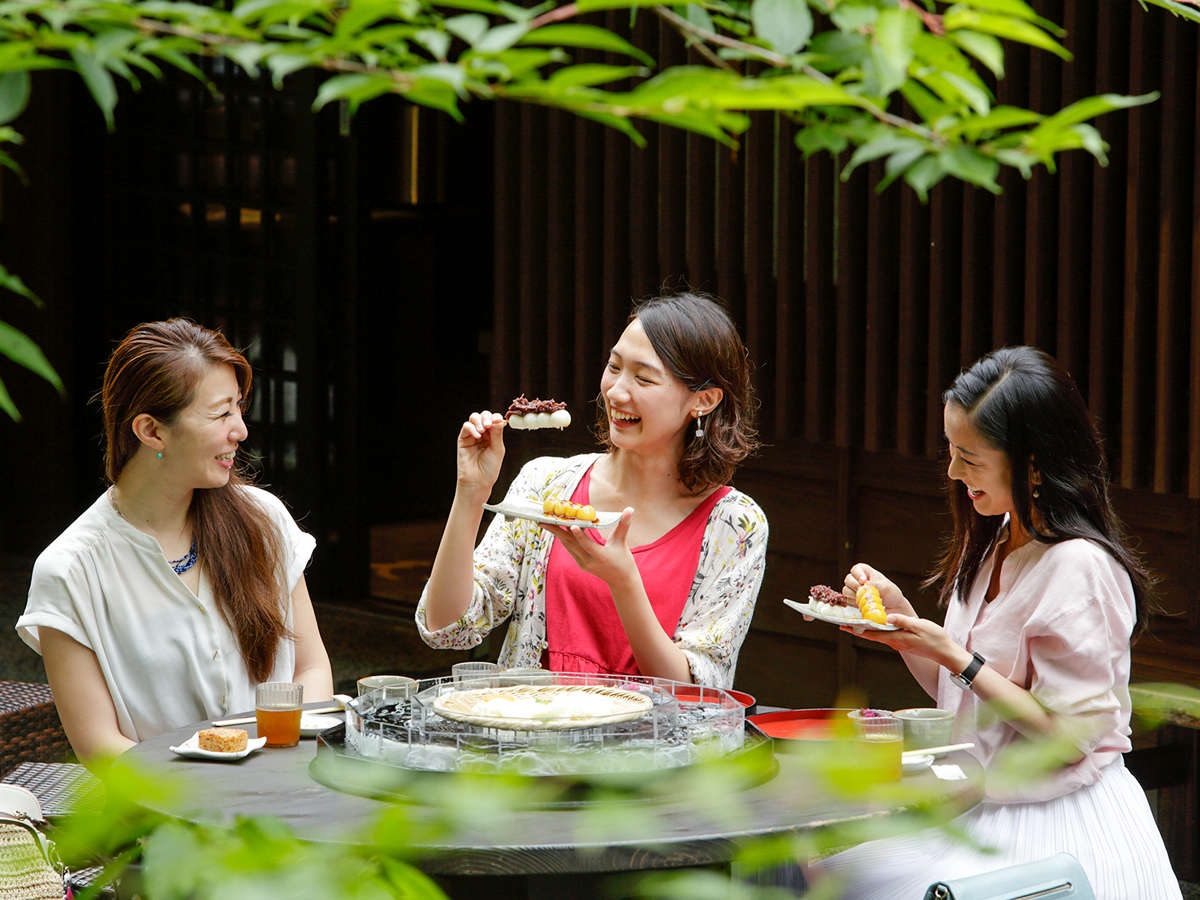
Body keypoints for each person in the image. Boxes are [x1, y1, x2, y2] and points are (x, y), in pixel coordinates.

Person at [810, 346, 1180, 899]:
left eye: (970, 458)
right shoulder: (996, 538)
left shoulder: (1080, 566)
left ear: (1033, 464)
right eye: (951, 452)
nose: (954, 473)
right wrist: (904, 628)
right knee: (823, 870)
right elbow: (967, 698)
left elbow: (1070, 739)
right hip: (980, 805)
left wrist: (955, 655)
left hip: (1055, 822)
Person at [16, 319, 333, 761]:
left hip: (286, 790)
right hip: (166, 802)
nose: (240, 430)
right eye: (221, 414)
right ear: (151, 431)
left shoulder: (263, 519)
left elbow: (311, 668)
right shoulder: (71, 570)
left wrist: (279, 769)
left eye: (239, 408)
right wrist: (206, 794)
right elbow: (100, 747)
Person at [416, 291, 768, 688]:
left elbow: (696, 690)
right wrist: (471, 493)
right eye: (614, 367)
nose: (615, 391)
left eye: (644, 378)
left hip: (650, 730)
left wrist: (623, 582)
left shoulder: (736, 525)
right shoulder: (545, 484)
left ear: (703, 400)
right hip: (533, 725)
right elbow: (447, 627)